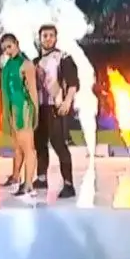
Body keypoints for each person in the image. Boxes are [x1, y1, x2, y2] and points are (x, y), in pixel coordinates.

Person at [33, 25, 77, 199]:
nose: (48, 38)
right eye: (45, 35)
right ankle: (42, 178)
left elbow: (73, 82)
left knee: (59, 145)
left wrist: (67, 101)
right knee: (40, 144)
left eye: (51, 35)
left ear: (56, 38)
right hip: (40, 108)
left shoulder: (63, 57)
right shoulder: (36, 62)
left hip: (56, 107)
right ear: (40, 38)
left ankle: (69, 184)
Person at [0, 34, 39, 199]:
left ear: (17, 44)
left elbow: (33, 91)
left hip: (23, 108)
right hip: (13, 108)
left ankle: (28, 184)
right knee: (18, 147)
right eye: (4, 48)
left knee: (28, 148)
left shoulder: (26, 64)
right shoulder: (9, 64)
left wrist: (35, 114)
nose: (7, 51)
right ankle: (17, 177)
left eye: (9, 46)